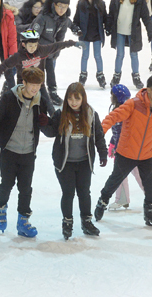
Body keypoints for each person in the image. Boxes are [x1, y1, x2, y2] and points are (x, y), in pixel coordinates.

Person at [0, 67, 49, 238]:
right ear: (24, 83)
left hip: (28, 152)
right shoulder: (9, 98)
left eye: (38, 85)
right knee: (7, 184)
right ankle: (1, 207)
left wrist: (47, 123)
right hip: (10, 151)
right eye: (32, 84)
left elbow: (51, 125)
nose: (35, 88)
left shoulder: (41, 99)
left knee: (26, 188)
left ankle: (23, 221)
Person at [94, 75, 152, 228]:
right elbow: (113, 117)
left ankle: (149, 212)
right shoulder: (133, 104)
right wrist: (100, 134)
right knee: (114, 181)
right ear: (149, 90)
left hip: (146, 155)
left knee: (150, 186)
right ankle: (102, 201)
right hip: (126, 153)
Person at [41, 83, 106, 240]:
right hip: (65, 163)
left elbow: (98, 135)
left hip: (84, 162)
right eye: (70, 98)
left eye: (77, 98)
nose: (73, 102)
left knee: (84, 193)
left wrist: (102, 152)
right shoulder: (61, 114)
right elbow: (51, 132)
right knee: (68, 193)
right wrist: (43, 123)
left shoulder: (91, 114)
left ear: (83, 98)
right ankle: (67, 222)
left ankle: (86, 221)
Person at [107, 0, 152, 89]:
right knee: (120, 54)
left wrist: (150, 31)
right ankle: (116, 76)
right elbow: (111, 14)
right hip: (119, 31)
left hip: (133, 32)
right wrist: (108, 27)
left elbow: (146, 17)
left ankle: (136, 76)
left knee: (134, 54)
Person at [32, 0, 73, 106]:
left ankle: (52, 93)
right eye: (59, 6)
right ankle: (36, 93)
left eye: (65, 7)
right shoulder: (43, 17)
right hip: (37, 51)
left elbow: (60, 38)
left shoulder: (64, 19)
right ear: (54, 5)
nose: (62, 9)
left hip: (49, 51)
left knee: (50, 72)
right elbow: (33, 36)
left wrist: (56, 52)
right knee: (36, 73)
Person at [72, 0, 107, 88]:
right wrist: (76, 28)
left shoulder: (101, 4)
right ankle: (83, 75)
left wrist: (109, 28)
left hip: (97, 34)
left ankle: (100, 75)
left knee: (97, 55)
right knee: (85, 55)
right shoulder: (81, 4)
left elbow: (105, 18)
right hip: (85, 35)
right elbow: (76, 18)